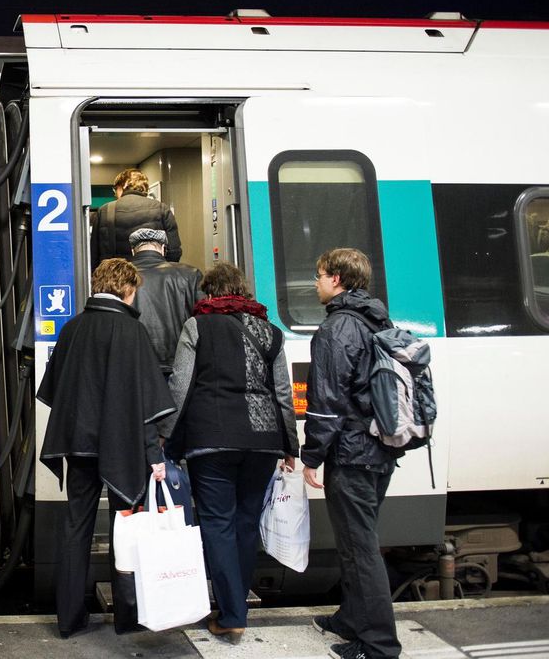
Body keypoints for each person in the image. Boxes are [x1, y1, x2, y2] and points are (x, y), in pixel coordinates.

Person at [158, 262, 299, 642]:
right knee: (246, 522)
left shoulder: (197, 326)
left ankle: (233, 611)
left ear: (209, 293)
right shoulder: (271, 332)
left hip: (212, 439)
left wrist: (166, 437)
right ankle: (235, 607)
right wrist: (290, 447)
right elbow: (282, 394)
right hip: (264, 442)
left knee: (218, 523)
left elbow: (181, 386)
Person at [37, 258, 175, 638]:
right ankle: (126, 620)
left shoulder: (72, 329)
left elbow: (55, 391)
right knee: (125, 530)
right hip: (122, 448)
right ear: (127, 289)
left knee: (74, 528)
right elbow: (146, 407)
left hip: (76, 446)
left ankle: (69, 619)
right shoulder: (132, 332)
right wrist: (154, 457)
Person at [302, 248, 402, 659]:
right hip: (381, 450)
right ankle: (351, 618)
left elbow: (327, 402)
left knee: (360, 549)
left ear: (337, 280)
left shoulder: (337, 329)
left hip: (353, 454)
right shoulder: (377, 319)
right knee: (355, 543)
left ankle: (378, 644)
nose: (316, 282)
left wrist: (312, 456)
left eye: (320, 275)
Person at [128, 226, 202, 377]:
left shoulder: (119, 277)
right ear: (162, 248)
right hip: (179, 364)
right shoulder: (190, 274)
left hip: (134, 364)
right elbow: (203, 321)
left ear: (133, 250)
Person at [90, 168, 181, 269]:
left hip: (118, 279)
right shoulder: (162, 209)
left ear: (122, 186)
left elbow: (94, 254)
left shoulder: (105, 211)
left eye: (115, 189)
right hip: (153, 273)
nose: (115, 194)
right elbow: (174, 252)